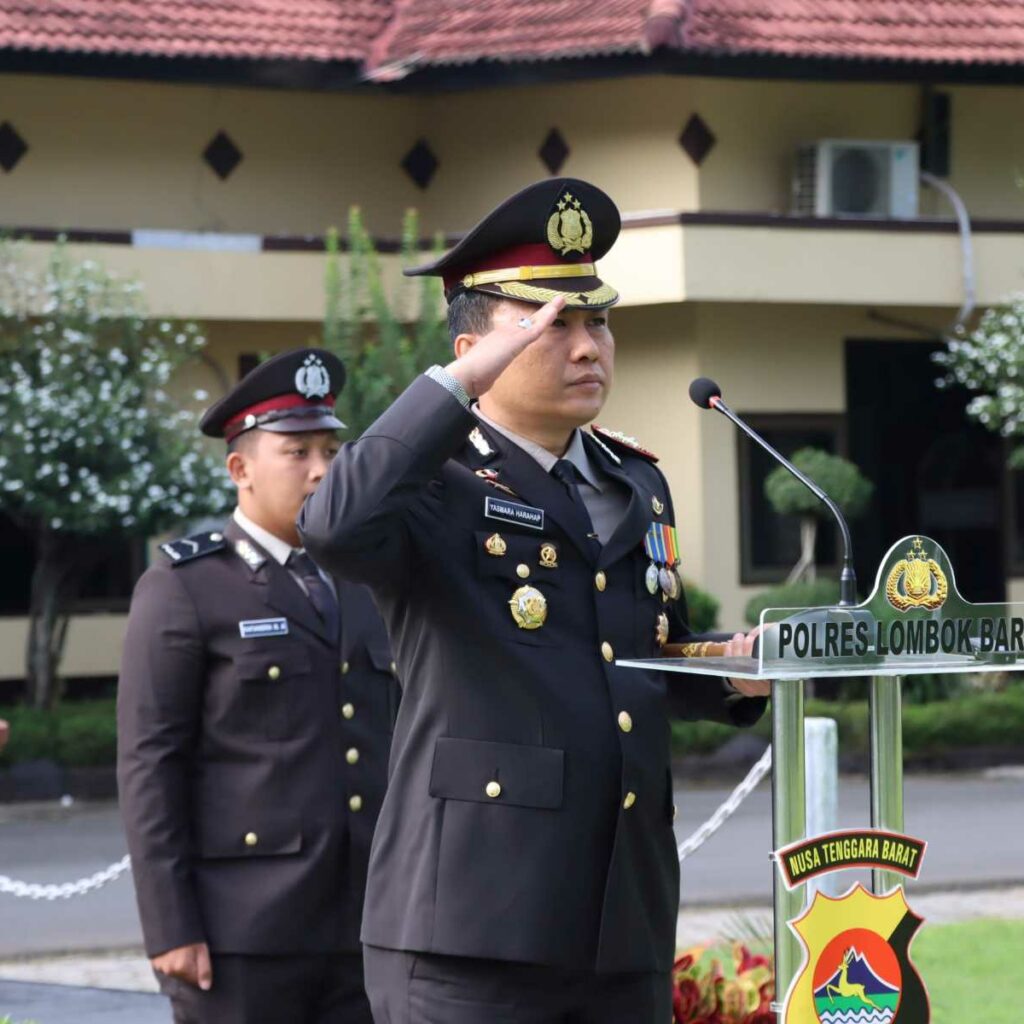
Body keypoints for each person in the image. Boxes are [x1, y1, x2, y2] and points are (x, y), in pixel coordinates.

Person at [298, 178, 770, 1023]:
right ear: (478, 343)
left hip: (619, 918)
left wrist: (738, 671)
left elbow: (639, 658)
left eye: (599, 321)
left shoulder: (636, 481)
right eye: (555, 327)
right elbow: (332, 525)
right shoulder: (429, 480)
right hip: (471, 929)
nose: (589, 347)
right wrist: (458, 382)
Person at [117, 348, 399, 1024]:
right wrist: (171, 927)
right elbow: (150, 764)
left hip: (370, 922)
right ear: (240, 468)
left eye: (331, 448)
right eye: (296, 451)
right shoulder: (186, 586)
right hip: (242, 932)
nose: (323, 469)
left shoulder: (366, 581)